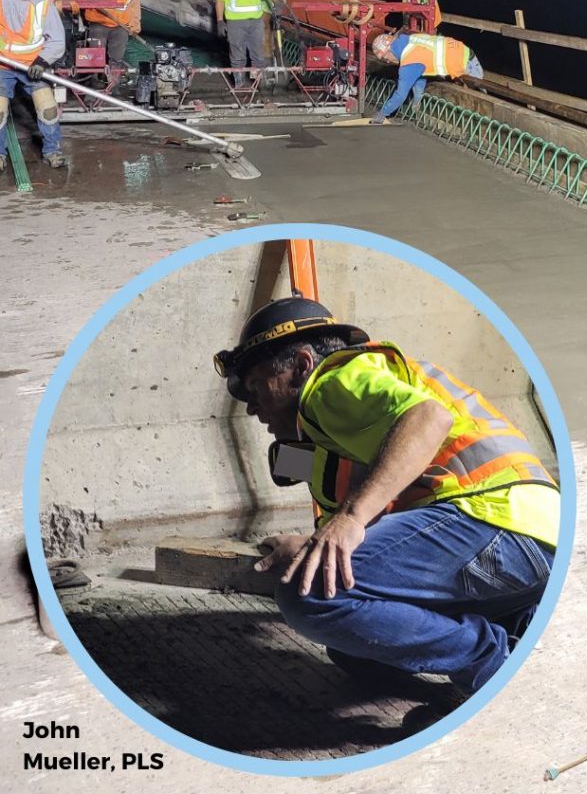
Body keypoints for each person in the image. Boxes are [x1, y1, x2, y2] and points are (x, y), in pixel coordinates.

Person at [213, 296, 559, 695]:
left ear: (303, 365)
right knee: (354, 652)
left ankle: (491, 669)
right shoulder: (357, 429)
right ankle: (497, 655)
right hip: (534, 546)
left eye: (257, 386)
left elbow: (430, 418)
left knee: (307, 597)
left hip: (494, 522)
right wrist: (314, 542)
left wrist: (350, 518)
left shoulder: (332, 381)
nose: (253, 408)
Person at [0, 0, 67, 170]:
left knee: (47, 107)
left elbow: (56, 40)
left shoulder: (43, 2)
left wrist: (42, 61)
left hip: (32, 64)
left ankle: (52, 151)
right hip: (2, 64)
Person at [370, 31, 483, 124]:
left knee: (480, 102)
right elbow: (420, 73)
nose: (388, 61)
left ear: (389, 51)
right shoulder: (411, 39)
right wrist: (417, 98)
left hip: (467, 66)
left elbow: (400, 95)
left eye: (385, 58)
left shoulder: (408, 62)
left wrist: (383, 113)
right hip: (464, 52)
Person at [214, 0, 277, 88]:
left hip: (256, 21)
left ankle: (258, 84)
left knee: (258, 55)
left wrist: (277, 3)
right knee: (237, 55)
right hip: (235, 22)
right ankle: (239, 84)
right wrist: (219, 21)